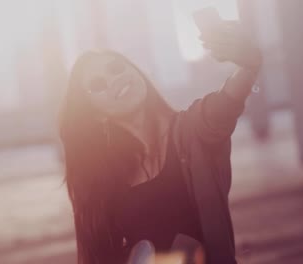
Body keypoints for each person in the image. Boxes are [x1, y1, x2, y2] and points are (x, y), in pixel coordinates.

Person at [58, 22, 262, 264]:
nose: (114, 80)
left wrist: (250, 64)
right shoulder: (104, 173)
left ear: (135, 72)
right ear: (96, 114)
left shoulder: (192, 129)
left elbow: (227, 101)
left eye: (116, 68)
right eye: (98, 85)